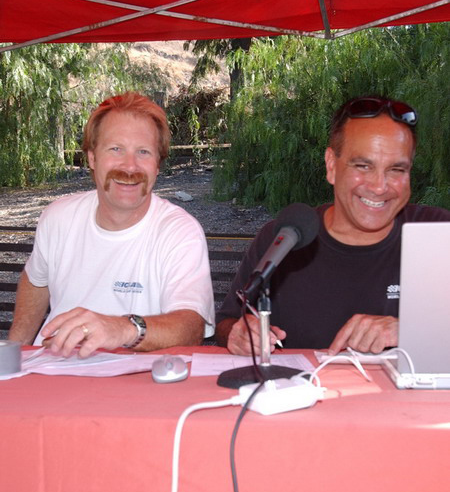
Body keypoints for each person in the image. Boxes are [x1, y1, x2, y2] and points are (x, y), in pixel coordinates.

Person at [216, 95, 450, 356]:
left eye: (397, 170)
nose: (379, 187)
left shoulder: (438, 232)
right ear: (331, 166)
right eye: (363, 166)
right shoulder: (283, 238)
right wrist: (239, 334)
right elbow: (227, 322)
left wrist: (409, 330)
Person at [9, 92, 214, 357]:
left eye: (143, 152)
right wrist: (13, 354)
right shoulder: (57, 217)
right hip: (50, 368)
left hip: (134, 376)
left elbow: (190, 327)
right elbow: (36, 280)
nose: (129, 166)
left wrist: (122, 329)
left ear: (157, 166)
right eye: (116, 149)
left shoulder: (179, 232)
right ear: (92, 158)